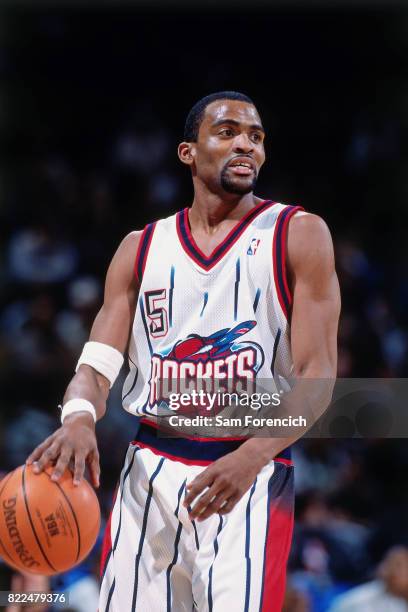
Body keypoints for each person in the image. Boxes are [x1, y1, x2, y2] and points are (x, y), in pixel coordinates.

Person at [27, 91, 340, 612]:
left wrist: (252, 457)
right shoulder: (140, 247)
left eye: (256, 137)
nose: (246, 145)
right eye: (227, 132)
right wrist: (79, 418)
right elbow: (98, 364)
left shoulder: (298, 234)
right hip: (148, 470)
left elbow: (319, 377)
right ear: (187, 152)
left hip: (250, 471)